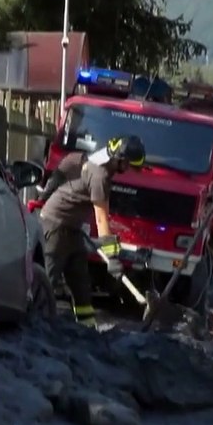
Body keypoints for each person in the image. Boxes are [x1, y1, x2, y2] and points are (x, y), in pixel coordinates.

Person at [37, 135, 146, 326]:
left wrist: (45, 194)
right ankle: (34, 324)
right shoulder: (100, 176)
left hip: (73, 229)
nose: (128, 170)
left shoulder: (88, 160)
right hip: (55, 226)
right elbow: (101, 218)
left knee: (81, 285)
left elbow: (64, 167)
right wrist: (112, 258)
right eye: (128, 165)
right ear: (119, 159)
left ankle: (87, 329)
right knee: (48, 281)